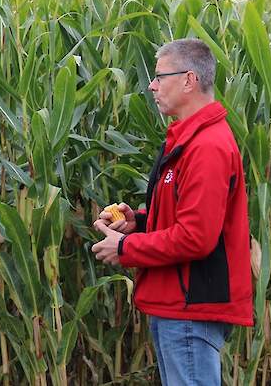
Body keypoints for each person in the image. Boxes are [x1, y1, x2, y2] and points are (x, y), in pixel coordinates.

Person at [91, 38, 252, 386]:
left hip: (190, 310)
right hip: (177, 306)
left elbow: (196, 238)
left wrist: (124, 248)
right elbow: (189, 220)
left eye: (160, 76)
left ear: (189, 80)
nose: (152, 85)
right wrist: (139, 223)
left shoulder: (207, 147)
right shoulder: (188, 140)